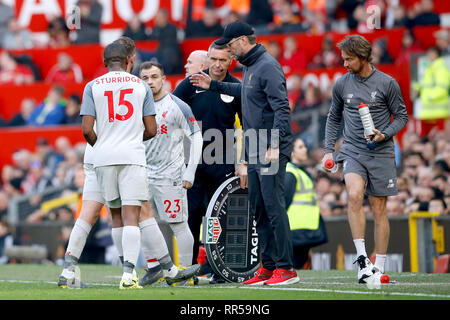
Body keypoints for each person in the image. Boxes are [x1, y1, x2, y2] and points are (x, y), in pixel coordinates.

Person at [58, 37, 198, 289]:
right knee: (134, 213)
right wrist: (133, 139)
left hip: (98, 157)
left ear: (104, 62)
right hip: (130, 156)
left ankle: (68, 271)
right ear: (129, 60)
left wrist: (101, 146)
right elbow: (152, 128)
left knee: (101, 214)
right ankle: (132, 274)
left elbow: (87, 129)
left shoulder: (92, 85)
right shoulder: (140, 86)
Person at [190, 20, 298, 285]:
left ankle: (287, 268)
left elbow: (282, 107)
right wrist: (213, 85)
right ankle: (268, 266)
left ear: (240, 41)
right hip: (254, 144)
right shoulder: (252, 66)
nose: (230, 53)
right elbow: (244, 92)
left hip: (268, 145)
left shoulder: (268, 66)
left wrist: (275, 144)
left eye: (230, 46)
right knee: (259, 207)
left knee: (273, 206)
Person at [322, 35, 408, 284]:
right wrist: (329, 150)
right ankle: (362, 260)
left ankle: (378, 266)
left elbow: (401, 117)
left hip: (381, 151)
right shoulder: (341, 84)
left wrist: (385, 134)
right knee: (354, 195)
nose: (345, 64)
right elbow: (333, 118)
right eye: (343, 59)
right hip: (352, 150)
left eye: (349, 59)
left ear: (362, 57)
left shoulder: (387, 83)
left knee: (380, 209)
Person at [174, 41, 243, 284]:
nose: (217, 64)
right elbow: (170, 110)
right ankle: (188, 271)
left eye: (222, 60)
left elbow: (247, 125)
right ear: (208, 59)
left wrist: (243, 161)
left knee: (218, 219)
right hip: (191, 163)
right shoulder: (191, 83)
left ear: (230, 61)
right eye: (213, 59)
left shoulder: (236, 87)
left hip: (223, 162)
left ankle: (220, 271)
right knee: (190, 216)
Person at [138, 61, 203, 286]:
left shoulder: (177, 105)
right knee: (143, 222)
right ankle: (154, 267)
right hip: (143, 174)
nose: (150, 82)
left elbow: (197, 136)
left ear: (163, 78)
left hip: (170, 176)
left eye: (154, 77)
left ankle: (185, 272)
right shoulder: (136, 106)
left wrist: (190, 172)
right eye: (145, 78)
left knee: (178, 224)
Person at [285, 138, 328, 269]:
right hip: (295, 227)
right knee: (295, 263)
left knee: (300, 262)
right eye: (300, 147)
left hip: (303, 226)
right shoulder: (290, 172)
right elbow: (285, 201)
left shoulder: (300, 171)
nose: (305, 149)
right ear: (292, 152)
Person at [412, 46, 450, 121]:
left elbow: (442, 87)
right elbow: (424, 82)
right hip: (429, 111)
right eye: (428, 54)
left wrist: (430, 97)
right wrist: (416, 88)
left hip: (438, 111)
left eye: (431, 53)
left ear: (437, 55)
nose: (429, 56)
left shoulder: (441, 68)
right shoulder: (429, 68)